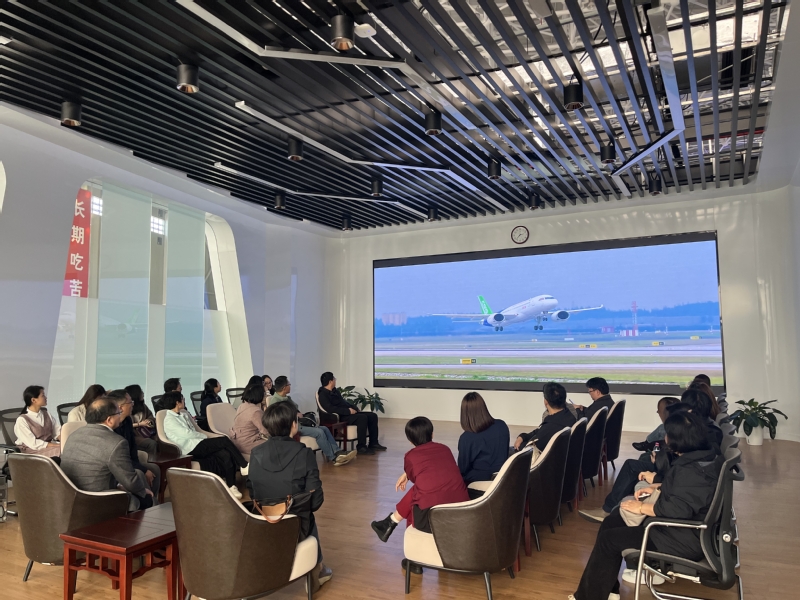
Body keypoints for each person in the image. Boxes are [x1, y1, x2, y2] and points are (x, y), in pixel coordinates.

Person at [569, 412, 723, 600]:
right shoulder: (705, 458)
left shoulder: (691, 470)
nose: (665, 439)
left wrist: (641, 508)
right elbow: (688, 492)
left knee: (609, 540)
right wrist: (659, 485)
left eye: (667, 434)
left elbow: (677, 509)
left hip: (677, 538)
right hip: (679, 530)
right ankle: (608, 591)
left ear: (677, 439)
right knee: (611, 521)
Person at [580, 389, 722, 523]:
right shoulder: (708, 430)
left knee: (632, 466)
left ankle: (610, 509)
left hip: (674, 497)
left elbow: (682, 483)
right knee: (641, 461)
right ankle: (618, 508)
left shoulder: (694, 442)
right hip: (675, 481)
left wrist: (657, 478)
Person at [247, 401, 332, 593]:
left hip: (261, 521)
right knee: (307, 514)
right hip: (294, 524)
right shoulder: (304, 453)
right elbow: (316, 501)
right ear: (294, 424)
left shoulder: (255, 453)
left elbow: (252, 491)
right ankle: (317, 570)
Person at [371, 417, 469, 577]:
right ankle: (389, 523)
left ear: (410, 440)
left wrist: (406, 475)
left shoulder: (410, 456)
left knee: (418, 495)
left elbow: (418, 477)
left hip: (433, 519)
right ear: (432, 434)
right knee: (423, 489)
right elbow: (429, 474)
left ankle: (413, 559)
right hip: (463, 513)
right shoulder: (445, 449)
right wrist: (407, 475)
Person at [60, 398, 153, 512]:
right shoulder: (116, 442)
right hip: (99, 499)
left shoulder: (73, 435)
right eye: (118, 413)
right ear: (109, 420)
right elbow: (130, 480)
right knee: (146, 499)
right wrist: (143, 491)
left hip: (71, 498)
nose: (120, 415)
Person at [162, 391, 248, 498]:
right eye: (182, 399)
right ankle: (243, 465)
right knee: (224, 440)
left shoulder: (183, 414)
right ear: (177, 402)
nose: (184, 401)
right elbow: (187, 434)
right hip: (189, 448)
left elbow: (193, 431)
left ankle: (231, 486)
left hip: (197, 443)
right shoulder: (169, 420)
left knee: (225, 453)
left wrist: (202, 436)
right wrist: (204, 436)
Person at [270, 376, 355, 466]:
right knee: (319, 432)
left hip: (299, 423)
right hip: (291, 427)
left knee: (325, 429)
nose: (290, 386)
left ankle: (338, 452)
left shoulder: (287, 398)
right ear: (284, 388)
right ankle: (334, 458)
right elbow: (279, 419)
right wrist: (294, 415)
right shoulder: (275, 401)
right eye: (289, 384)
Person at [108, 389, 161, 500]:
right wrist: (143, 469)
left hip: (129, 462)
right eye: (130, 402)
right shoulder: (111, 426)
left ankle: (152, 498)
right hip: (118, 465)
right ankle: (147, 502)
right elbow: (119, 458)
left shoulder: (127, 421)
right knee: (140, 473)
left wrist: (140, 466)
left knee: (154, 469)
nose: (133, 404)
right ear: (120, 407)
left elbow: (132, 448)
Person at [317, 372, 385, 455]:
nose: (335, 380)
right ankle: (361, 447)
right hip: (339, 416)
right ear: (330, 381)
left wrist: (354, 407)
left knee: (372, 416)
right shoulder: (323, 394)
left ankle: (373, 443)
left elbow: (343, 402)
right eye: (334, 379)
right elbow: (330, 409)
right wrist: (348, 411)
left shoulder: (335, 391)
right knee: (362, 418)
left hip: (347, 413)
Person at [457, 392, 509, 489]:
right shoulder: (501, 425)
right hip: (504, 474)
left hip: (481, 480)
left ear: (465, 414)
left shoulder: (467, 438)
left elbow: (463, 469)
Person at [514, 382, 577, 452]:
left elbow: (531, 449)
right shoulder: (568, 416)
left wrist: (520, 445)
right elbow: (538, 431)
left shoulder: (551, 427)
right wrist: (523, 436)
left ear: (546, 401)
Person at [14, 386, 61, 457]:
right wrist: (56, 445)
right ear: (33, 400)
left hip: (48, 448)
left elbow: (57, 432)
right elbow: (33, 443)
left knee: (68, 448)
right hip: (31, 451)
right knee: (61, 450)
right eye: (43, 395)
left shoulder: (47, 414)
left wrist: (65, 442)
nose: (46, 397)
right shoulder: (22, 420)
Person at [229, 384, 270, 456]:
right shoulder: (256, 411)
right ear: (260, 396)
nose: (267, 396)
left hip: (236, 442)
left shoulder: (242, 405)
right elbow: (265, 431)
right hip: (247, 444)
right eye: (265, 394)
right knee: (275, 446)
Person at [125, 384, 158, 454]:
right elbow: (126, 425)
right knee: (151, 443)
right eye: (141, 392)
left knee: (160, 439)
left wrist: (149, 421)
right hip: (134, 435)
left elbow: (151, 417)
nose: (143, 393)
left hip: (147, 431)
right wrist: (140, 424)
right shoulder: (127, 409)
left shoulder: (143, 406)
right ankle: (151, 459)